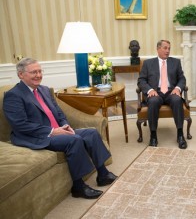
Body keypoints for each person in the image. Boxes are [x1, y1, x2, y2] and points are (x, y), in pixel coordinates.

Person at [3, 58, 117, 199]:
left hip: (58, 130)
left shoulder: (44, 90)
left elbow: (58, 112)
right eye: (34, 72)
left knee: (91, 132)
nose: (38, 75)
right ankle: (78, 187)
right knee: (74, 140)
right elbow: (20, 124)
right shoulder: (13, 95)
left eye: (40, 71)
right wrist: (52, 131)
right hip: (37, 136)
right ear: (21, 75)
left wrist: (64, 125)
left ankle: (103, 174)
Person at [137, 39, 187, 149]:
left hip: (171, 91)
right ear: (158, 49)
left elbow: (182, 79)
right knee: (154, 101)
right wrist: (150, 90)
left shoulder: (176, 62)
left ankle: (180, 135)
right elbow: (141, 80)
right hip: (156, 91)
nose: (168, 51)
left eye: (169, 48)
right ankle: (153, 136)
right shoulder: (148, 63)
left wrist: (178, 88)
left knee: (177, 100)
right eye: (165, 48)